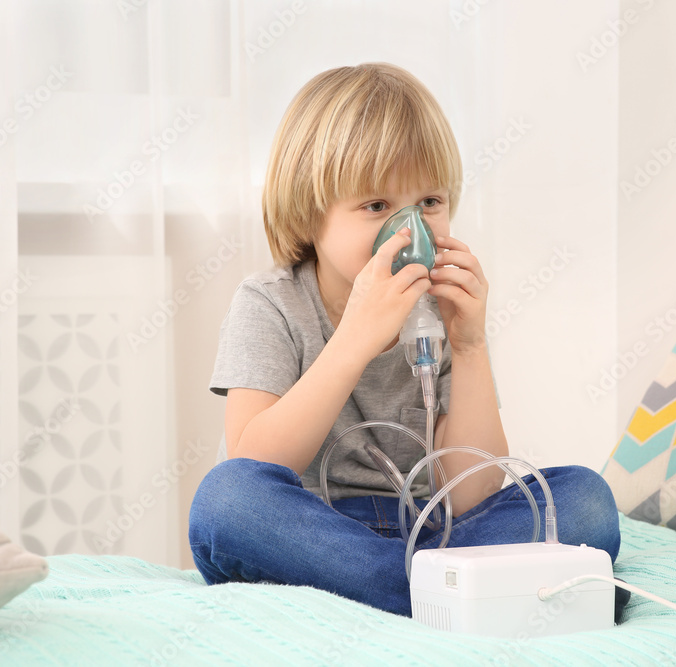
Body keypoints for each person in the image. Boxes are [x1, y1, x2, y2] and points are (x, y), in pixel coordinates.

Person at [188, 62, 626, 619]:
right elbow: (256, 459)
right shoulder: (269, 302)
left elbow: (471, 491)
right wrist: (354, 341)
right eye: (376, 206)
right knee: (226, 502)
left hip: (436, 526)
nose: (410, 230)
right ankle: (439, 591)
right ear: (309, 213)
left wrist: (469, 347)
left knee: (586, 501)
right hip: (315, 528)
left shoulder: (440, 313)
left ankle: (405, 588)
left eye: (429, 203)